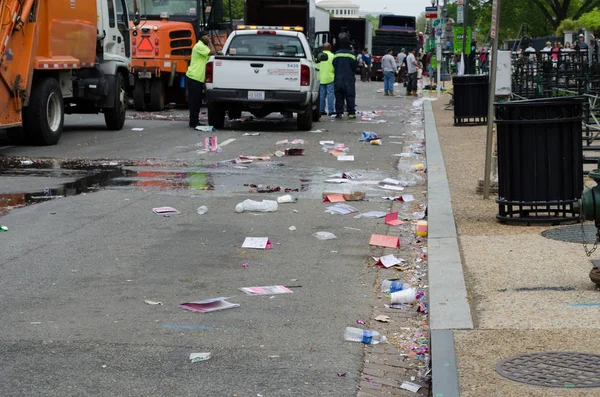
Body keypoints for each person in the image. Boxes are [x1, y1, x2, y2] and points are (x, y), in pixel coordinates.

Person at [186, 30, 216, 128]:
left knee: (197, 101)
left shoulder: (203, 47)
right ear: (203, 37)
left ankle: (195, 120)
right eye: (207, 36)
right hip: (194, 77)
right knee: (194, 101)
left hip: (197, 78)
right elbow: (213, 52)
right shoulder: (200, 46)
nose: (209, 38)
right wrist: (210, 42)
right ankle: (193, 121)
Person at [332, 39, 358, 119]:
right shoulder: (352, 54)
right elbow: (355, 66)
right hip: (349, 78)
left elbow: (334, 64)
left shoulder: (336, 54)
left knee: (339, 96)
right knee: (350, 96)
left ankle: (339, 113)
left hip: (338, 78)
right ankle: (351, 113)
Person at [317, 43, 335, 116]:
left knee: (321, 95)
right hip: (330, 77)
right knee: (330, 95)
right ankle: (331, 111)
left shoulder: (318, 55)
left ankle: (321, 110)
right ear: (330, 48)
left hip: (320, 77)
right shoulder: (333, 56)